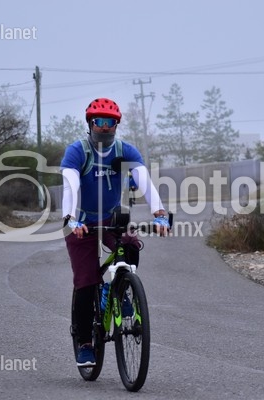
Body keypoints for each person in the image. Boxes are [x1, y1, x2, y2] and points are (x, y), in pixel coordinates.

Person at [60, 97, 170, 367]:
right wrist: (70, 219)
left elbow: (144, 181)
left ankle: (121, 289)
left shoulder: (125, 151)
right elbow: (70, 186)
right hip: (81, 221)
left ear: (117, 125)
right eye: (100, 121)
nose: (105, 127)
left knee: (131, 244)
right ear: (90, 123)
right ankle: (85, 344)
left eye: (111, 122)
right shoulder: (78, 151)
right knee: (86, 282)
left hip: (110, 217)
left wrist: (160, 214)